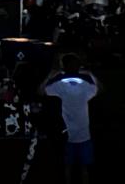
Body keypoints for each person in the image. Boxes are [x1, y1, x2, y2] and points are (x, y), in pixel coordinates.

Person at [41, 54, 99, 184]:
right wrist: (90, 74)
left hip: (74, 135)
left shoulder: (62, 85)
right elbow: (99, 89)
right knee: (78, 168)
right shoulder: (81, 85)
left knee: (72, 168)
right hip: (73, 135)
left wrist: (50, 76)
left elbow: (41, 91)